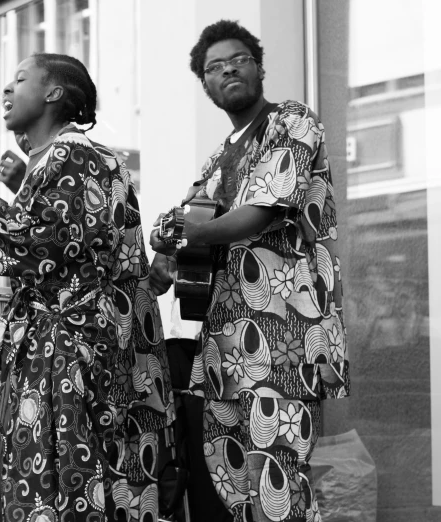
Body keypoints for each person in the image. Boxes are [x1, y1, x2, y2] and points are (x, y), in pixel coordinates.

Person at [0, 53, 176, 521]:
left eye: (20, 79)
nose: (7, 89)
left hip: (68, 351)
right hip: (75, 347)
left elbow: (40, 248)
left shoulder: (73, 154)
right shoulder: (58, 161)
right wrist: (22, 185)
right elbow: (75, 240)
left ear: (54, 93)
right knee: (71, 479)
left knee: (67, 484)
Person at [149, 20, 348, 522]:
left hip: (284, 329)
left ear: (259, 66)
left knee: (279, 476)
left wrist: (187, 234)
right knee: (232, 478)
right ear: (206, 86)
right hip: (222, 343)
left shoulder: (292, 121)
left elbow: (262, 211)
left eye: (237, 59)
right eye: (213, 68)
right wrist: (164, 241)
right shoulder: (217, 159)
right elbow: (189, 232)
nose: (227, 70)